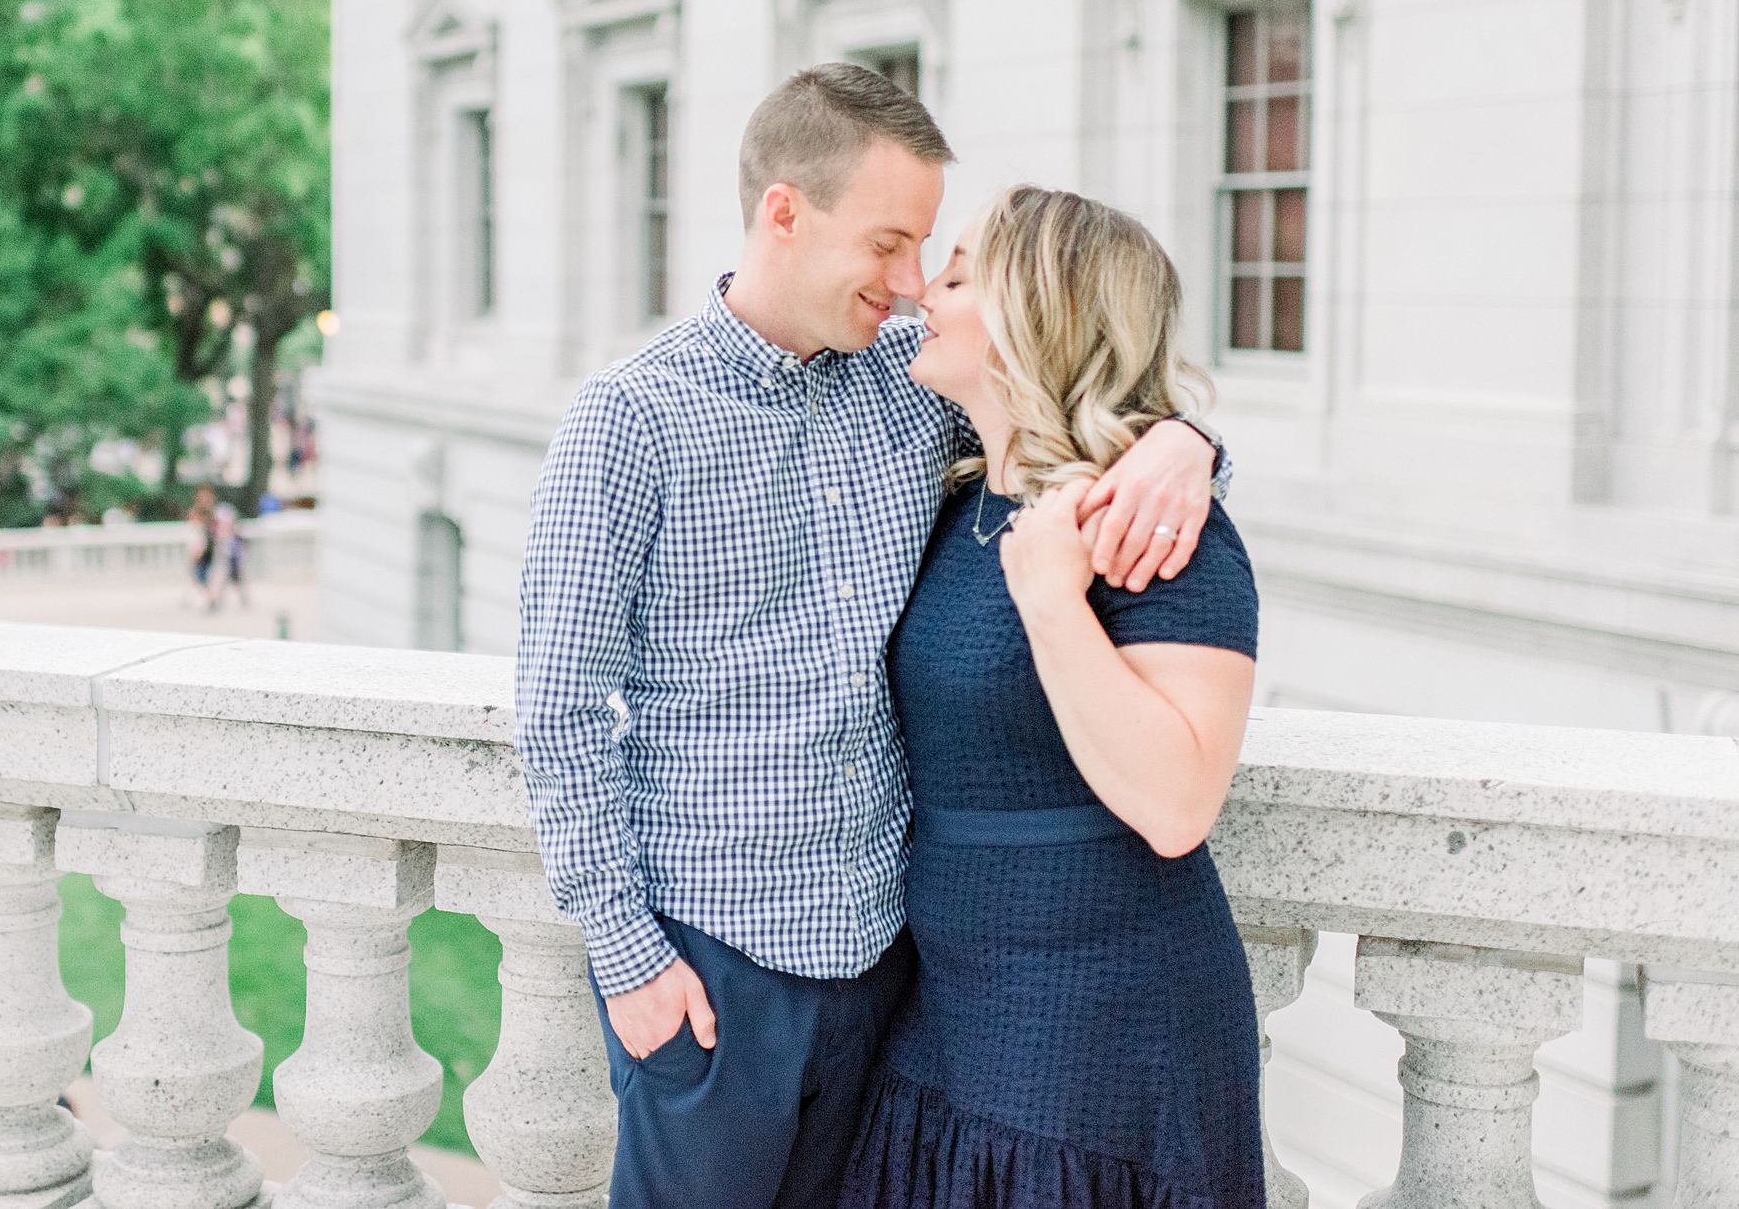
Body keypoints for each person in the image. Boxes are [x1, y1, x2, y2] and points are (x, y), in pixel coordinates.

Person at [516, 65, 1227, 1209]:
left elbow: (1072, 383)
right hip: (716, 971)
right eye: (890, 244)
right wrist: (628, 956)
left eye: (928, 251)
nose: (908, 286)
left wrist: (1187, 442)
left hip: (892, 978)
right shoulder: (629, 421)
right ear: (785, 211)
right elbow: (558, 710)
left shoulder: (911, 384)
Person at [839, 186, 1261, 1209]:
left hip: (1103, 1033)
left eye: (959, 271)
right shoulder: (957, 490)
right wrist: (1191, 436)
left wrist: (1053, 602)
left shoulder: (1156, 535)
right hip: (944, 1012)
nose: (920, 290)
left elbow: (1176, 806)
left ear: (1041, 310)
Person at [185, 485, 219, 611]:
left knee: (202, 577)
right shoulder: (201, 516)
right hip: (203, 551)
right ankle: (209, 598)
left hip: (205, 552)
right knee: (200, 577)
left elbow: (205, 539)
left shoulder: (208, 516)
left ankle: (212, 599)